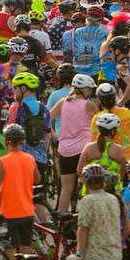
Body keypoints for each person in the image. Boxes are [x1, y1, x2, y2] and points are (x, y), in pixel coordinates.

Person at [48, 73, 98, 211]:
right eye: (89, 89)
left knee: (66, 189)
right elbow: (100, 124)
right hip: (84, 150)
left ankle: (62, 223)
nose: (91, 92)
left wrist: (54, 135)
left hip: (65, 151)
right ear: (84, 90)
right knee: (89, 187)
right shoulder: (89, 105)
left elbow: (47, 119)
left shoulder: (63, 102)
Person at [0, 123, 39, 260]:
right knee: (26, 249)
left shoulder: (3, 161)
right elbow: (37, 179)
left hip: (9, 213)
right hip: (28, 211)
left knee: (9, 249)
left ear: (6, 142)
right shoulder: (30, 158)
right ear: (22, 142)